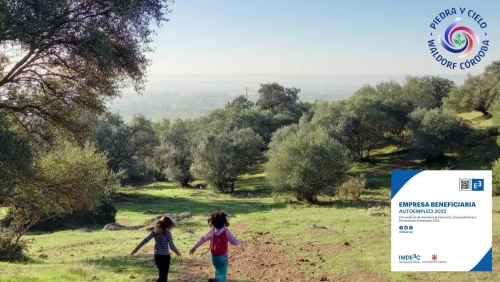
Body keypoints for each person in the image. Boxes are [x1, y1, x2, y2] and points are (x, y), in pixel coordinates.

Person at [190, 211, 242, 282]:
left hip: (213, 257)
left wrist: (194, 247)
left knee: (216, 272)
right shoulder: (226, 231)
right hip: (223, 257)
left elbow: (203, 238)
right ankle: (215, 280)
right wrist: (240, 240)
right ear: (224, 221)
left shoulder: (212, 231)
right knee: (222, 275)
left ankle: (215, 279)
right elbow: (235, 242)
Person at [131, 216, 182, 282]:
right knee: (163, 276)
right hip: (165, 257)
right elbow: (171, 246)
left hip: (157, 256)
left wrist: (136, 249)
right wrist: (178, 252)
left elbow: (145, 240)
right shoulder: (168, 233)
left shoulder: (155, 232)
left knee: (162, 275)